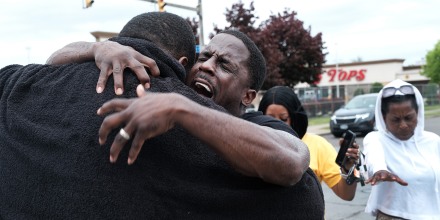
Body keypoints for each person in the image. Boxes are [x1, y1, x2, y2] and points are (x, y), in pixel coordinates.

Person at [1, 12, 324, 219]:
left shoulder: (256, 123)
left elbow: (294, 162)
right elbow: (50, 61)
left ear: (248, 96)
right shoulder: (152, 88)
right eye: (205, 55)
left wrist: (182, 108)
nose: (207, 66)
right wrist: (97, 49)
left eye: (224, 65)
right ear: (185, 63)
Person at [258, 86, 360, 201]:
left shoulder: (318, 145)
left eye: (284, 118)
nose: (276, 124)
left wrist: (348, 168)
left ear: (294, 118)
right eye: (270, 118)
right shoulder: (252, 144)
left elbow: (346, 195)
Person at [363, 79, 440, 219]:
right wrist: (380, 169)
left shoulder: (433, 141)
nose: (403, 125)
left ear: (418, 113)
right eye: (395, 120)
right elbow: (374, 156)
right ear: (383, 118)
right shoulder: (376, 139)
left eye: (409, 118)